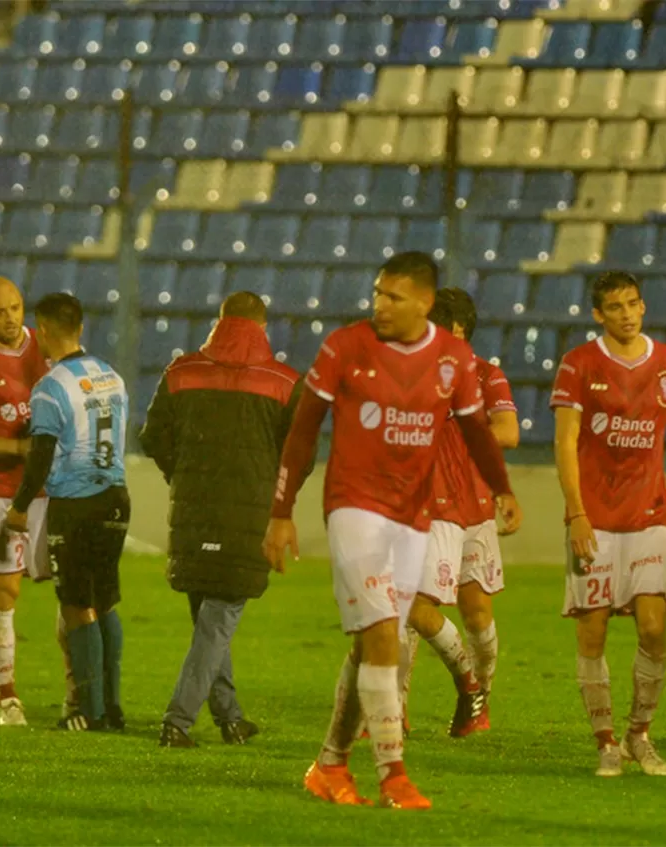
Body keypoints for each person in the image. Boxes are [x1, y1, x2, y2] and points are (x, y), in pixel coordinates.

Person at [263, 252, 521, 810]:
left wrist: (502, 489)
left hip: (413, 514)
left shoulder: (453, 359)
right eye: (378, 293)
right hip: (355, 506)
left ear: (425, 303)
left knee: (368, 643)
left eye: (393, 296)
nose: (380, 304)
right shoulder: (345, 348)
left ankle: (329, 764)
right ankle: (392, 775)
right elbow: (303, 429)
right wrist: (282, 509)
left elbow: (479, 431)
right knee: (385, 633)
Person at [550, 270, 666, 778]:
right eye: (615, 307)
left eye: (633, 304)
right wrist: (577, 513)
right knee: (593, 632)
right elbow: (565, 443)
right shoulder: (578, 364)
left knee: (653, 628)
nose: (626, 314)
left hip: (650, 516)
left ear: (643, 306)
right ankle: (605, 742)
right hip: (595, 519)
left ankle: (639, 734)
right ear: (598, 314)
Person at [141, 292, 302, 748]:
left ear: (220, 322)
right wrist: (275, 498)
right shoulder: (285, 382)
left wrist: (184, 476)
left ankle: (231, 717)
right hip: (249, 517)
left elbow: (153, 437)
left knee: (209, 616)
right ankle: (178, 721)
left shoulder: (181, 373)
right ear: (262, 328)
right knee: (218, 617)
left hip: (192, 511)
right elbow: (299, 455)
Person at [0, 293, 132, 732]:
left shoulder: (51, 387)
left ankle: (90, 712)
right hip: (116, 496)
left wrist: (18, 507)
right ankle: (112, 708)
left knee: (77, 606)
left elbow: (40, 454)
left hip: (76, 503)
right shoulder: (111, 375)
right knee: (106, 602)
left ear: (46, 330)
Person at [399, 288, 519, 736]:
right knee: (413, 604)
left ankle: (478, 695)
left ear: (458, 331)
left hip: (478, 508)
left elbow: (507, 433)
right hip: (432, 507)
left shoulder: (486, 376)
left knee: (477, 614)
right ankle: (398, 707)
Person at [0, 276, 74, 726]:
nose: (10, 318)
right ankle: (7, 697)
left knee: (74, 592)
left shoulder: (46, 346)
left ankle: (76, 694)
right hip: (4, 493)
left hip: (58, 488)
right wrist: (31, 449)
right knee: (4, 589)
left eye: (16, 307)